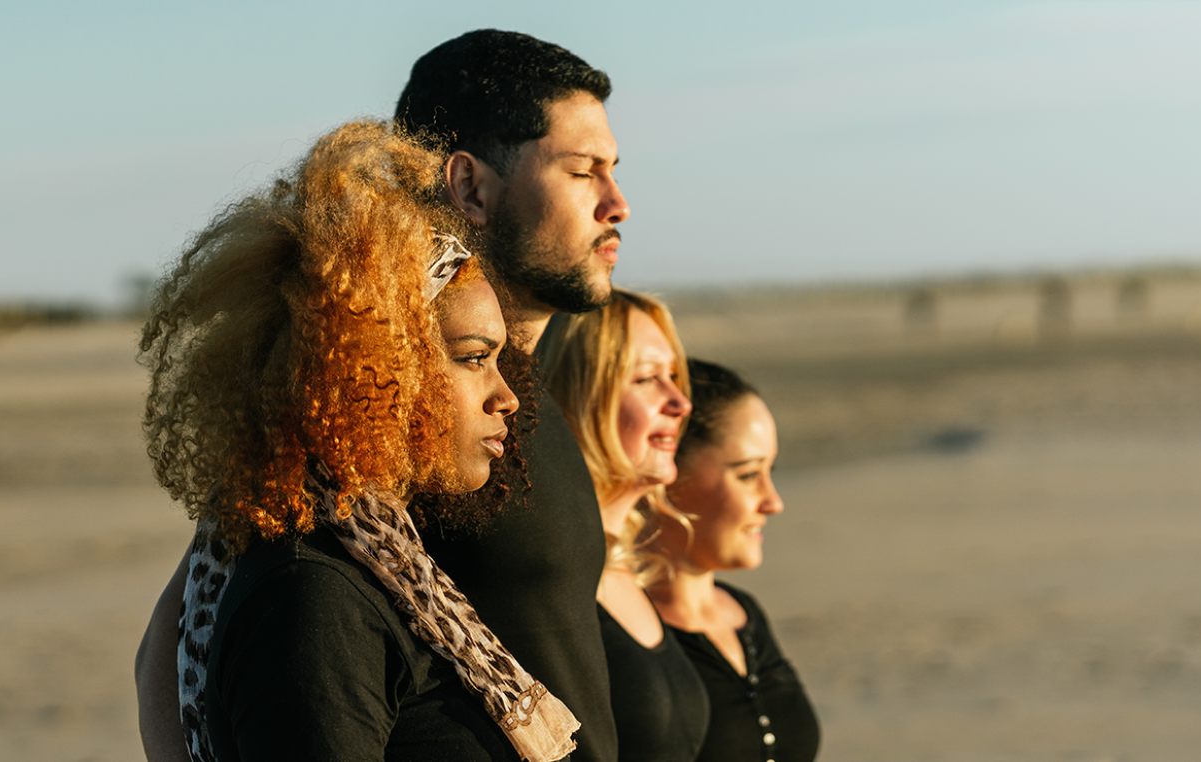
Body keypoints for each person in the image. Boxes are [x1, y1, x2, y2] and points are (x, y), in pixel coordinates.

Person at [136, 29, 630, 762]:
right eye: (584, 171)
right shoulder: (375, 427)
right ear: (469, 187)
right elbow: (180, 644)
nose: (617, 202)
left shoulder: (516, 395)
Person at [540, 290, 710, 762]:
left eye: (674, 377)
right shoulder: (548, 580)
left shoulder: (627, 569)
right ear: (579, 393)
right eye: (647, 379)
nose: (680, 402)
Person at [648, 359, 821, 762]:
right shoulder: (619, 632)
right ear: (668, 472)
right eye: (747, 474)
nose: (773, 502)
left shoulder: (744, 613)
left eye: (770, 471)